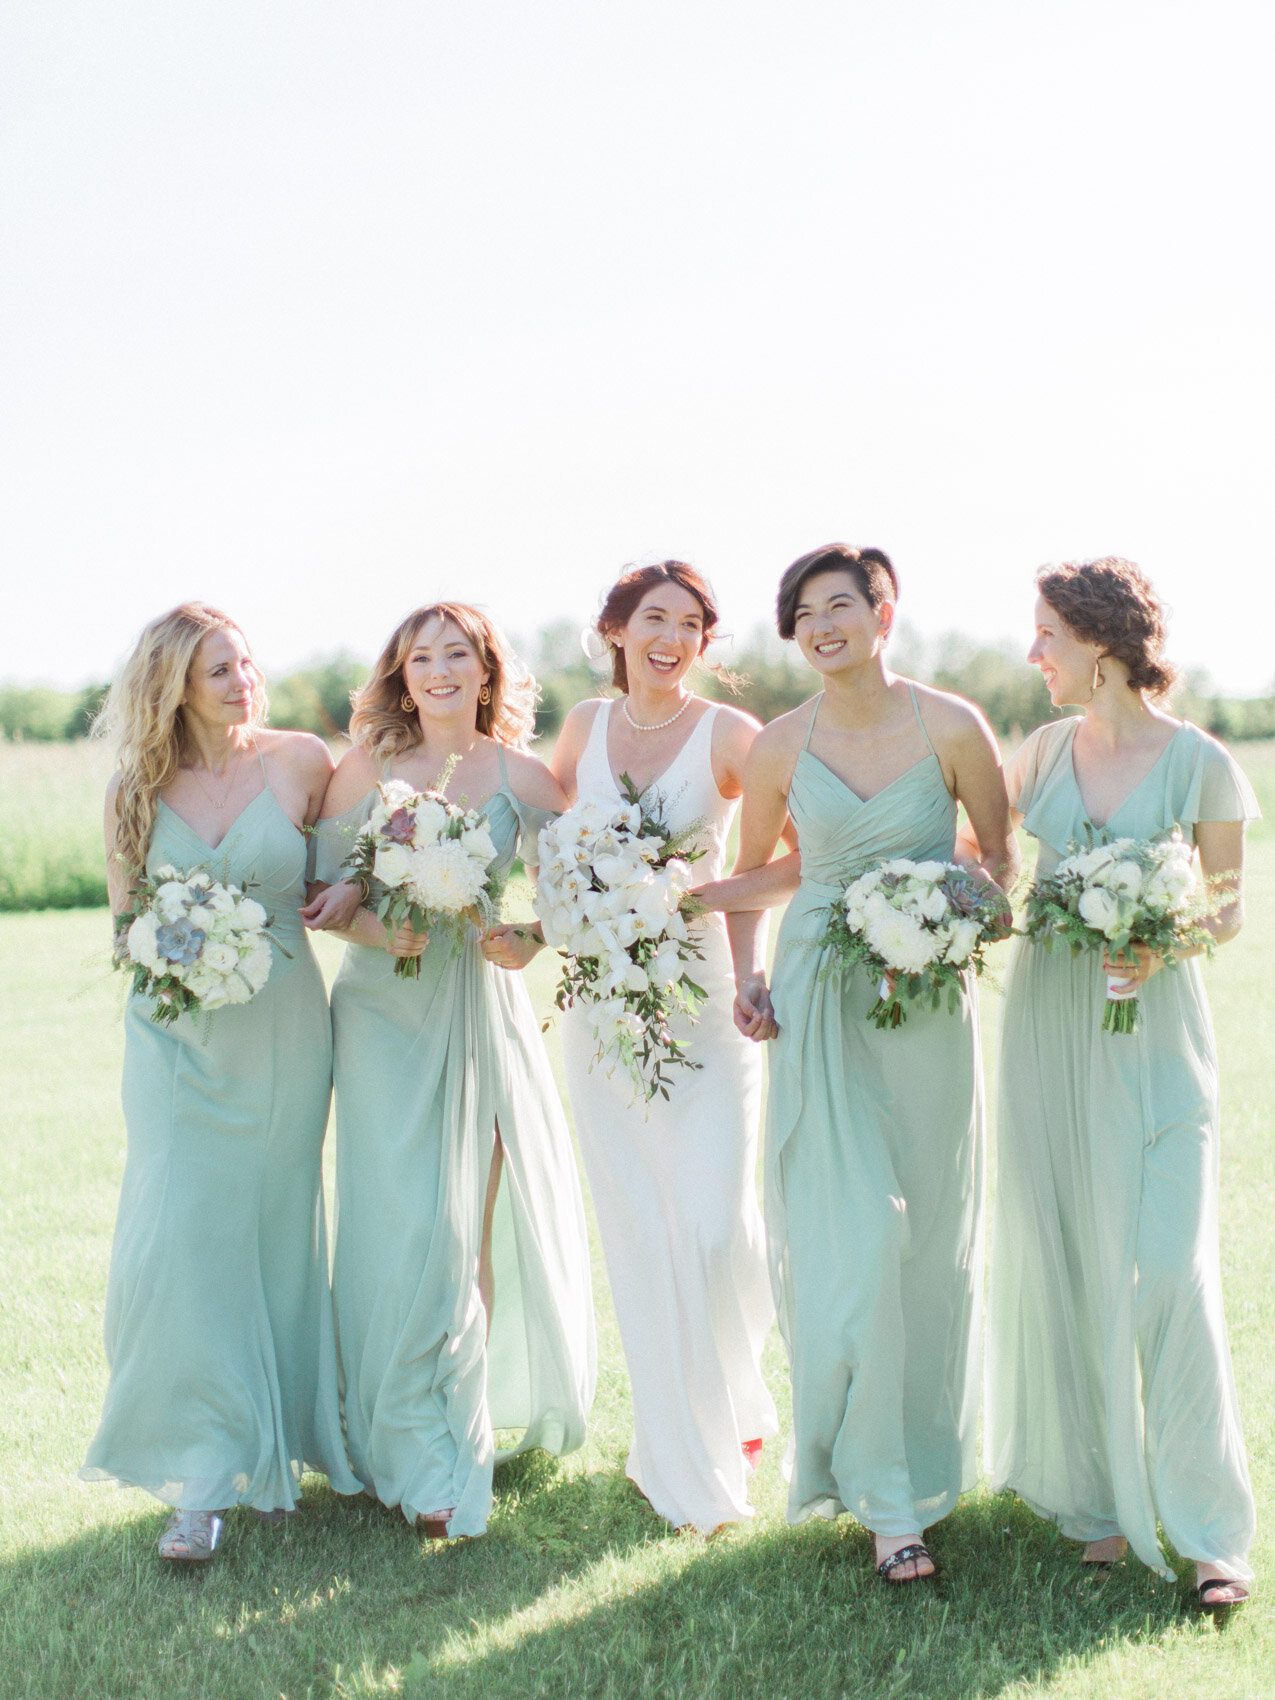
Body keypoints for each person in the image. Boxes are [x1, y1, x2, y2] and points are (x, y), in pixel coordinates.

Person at [713, 544, 1015, 1583]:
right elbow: (750, 875)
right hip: (820, 1001)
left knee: (926, 1240)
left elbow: (998, 867)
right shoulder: (778, 745)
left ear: (885, 611)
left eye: (841, 603)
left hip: (927, 1007)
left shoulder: (954, 724)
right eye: (804, 611)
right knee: (851, 1246)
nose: (822, 623)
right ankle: (885, 1502)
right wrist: (747, 979)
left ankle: (923, 1471)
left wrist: (952, 920)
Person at [980, 558, 1257, 1608]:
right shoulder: (1042, 747)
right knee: (1066, 1250)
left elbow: (1226, 905)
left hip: (1152, 1029)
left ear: (1100, 644)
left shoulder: (1200, 762)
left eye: (1045, 632)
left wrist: (1162, 936)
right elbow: (991, 859)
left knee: (1168, 1270)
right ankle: (1098, 1498)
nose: (1034, 651)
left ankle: (1209, 1528)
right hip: (1050, 1022)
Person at [493, 560, 779, 1533]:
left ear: (706, 643)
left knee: (712, 1226)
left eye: (692, 623)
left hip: (700, 1005)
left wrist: (736, 947)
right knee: (643, 1234)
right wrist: (544, 925)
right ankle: (678, 1461)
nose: (672, 635)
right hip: (605, 1013)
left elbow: (778, 859)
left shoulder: (733, 736)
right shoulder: (583, 727)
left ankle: (733, 1399)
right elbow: (555, 849)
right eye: (653, 617)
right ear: (614, 629)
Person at [302, 602, 595, 1539]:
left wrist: (537, 935)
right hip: (384, 1012)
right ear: (400, 672)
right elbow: (315, 892)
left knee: (465, 1227)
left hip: (480, 1006)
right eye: (419, 655)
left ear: (485, 669)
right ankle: (391, 1429)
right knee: (401, 1226)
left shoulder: (522, 774)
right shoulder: (367, 769)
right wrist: (374, 923)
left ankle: (451, 1441)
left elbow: (590, 877)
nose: (437, 669)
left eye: (455, 654)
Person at [81, 603, 358, 1562]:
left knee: (273, 1237)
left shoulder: (302, 762)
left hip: (282, 1031)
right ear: (173, 687)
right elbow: (126, 930)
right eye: (217, 671)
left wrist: (352, 894)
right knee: (181, 1238)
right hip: (173, 1040)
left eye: (245, 662)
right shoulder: (133, 790)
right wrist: (179, 948)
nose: (242, 681)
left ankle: (269, 1444)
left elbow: (346, 869)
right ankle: (198, 1479)